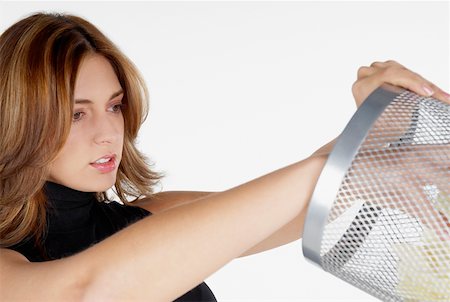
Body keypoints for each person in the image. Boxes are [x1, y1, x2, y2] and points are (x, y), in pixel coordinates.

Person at [0, 12, 449, 302]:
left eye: (115, 106)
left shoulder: (151, 220)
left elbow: (306, 200)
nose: (108, 133)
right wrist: (322, 173)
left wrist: (385, 114)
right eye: (77, 114)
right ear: (21, 119)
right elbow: (84, 292)